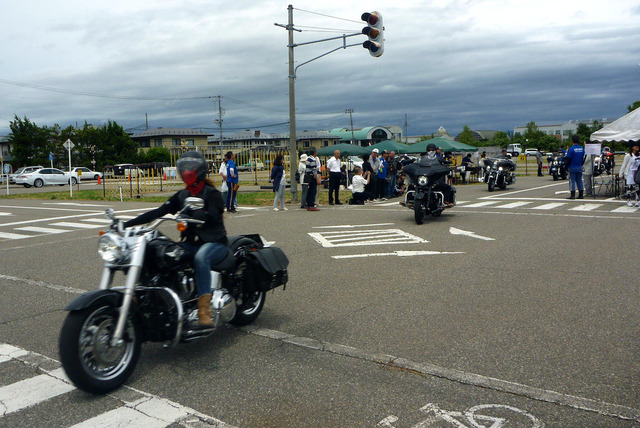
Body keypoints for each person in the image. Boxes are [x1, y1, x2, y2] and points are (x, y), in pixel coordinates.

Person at [123, 151, 227, 328]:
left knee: (201, 257)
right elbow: (159, 212)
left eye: (190, 168)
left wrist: (197, 214)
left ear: (200, 170)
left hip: (214, 243)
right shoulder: (182, 195)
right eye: (184, 169)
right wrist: (126, 224)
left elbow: (214, 216)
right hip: (190, 244)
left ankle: (204, 311)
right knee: (160, 254)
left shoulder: (212, 194)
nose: (186, 172)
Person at [564, 134, 585, 199]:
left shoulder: (571, 149)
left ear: (572, 141)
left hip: (572, 167)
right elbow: (584, 157)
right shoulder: (582, 149)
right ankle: (581, 194)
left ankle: (572, 195)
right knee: (579, 180)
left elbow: (568, 159)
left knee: (572, 181)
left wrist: (566, 166)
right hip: (579, 166)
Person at [625, 141, 640, 206]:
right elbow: (624, 165)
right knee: (630, 188)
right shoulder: (628, 155)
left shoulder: (638, 155)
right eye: (636, 146)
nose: (637, 147)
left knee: (637, 188)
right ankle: (628, 200)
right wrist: (621, 173)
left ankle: (637, 201)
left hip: (636, 173)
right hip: (630, 173)